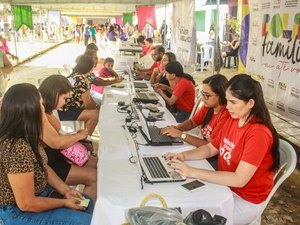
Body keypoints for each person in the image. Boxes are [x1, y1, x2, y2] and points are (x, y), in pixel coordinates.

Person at [164, 74, 280, 225]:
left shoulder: (258, 133)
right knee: (180, 202)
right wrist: (182, 156)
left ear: (250, 103)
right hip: (224, 187)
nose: (228, 106)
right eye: (227, 100)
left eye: (233, 102)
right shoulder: (234, 119)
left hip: (244, 199)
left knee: (189, 217)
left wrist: (192, 171)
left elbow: (239, 179)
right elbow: (211, 148)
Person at [0, 83, 93, 225]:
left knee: (88, 203)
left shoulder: (27, 134)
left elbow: (43, 166)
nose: (43, 108)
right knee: (90, 221)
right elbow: (27, 204)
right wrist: (63, 203)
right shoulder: (16, 147)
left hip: (40, 195)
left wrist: (66, 190)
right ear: (32, 110)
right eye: (41, 104)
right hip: (16, 213)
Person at [39, 75, 97, 202]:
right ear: (55, 93)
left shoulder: (46, 110)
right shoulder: (39, 112)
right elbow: (56, 142)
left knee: (98, 163)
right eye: (64, 98)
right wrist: (79, 135)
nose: (65, 102)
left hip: (56, 156)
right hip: (48, 164)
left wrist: (76, 139)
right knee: (94, 176)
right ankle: (87, 214)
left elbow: (57, 138)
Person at [58, 55, 99, 135]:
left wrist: (97, 106)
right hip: (65, 112)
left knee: (95, 111)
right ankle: (85, 139)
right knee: (95, 115)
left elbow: (88, 97)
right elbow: (87, 104)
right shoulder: (82, 79)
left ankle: (82, 136)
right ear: (90, 67)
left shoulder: (75, 75)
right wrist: (98, 112)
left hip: (60, 110)